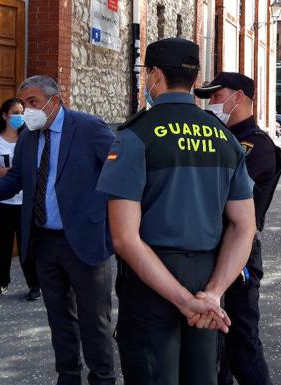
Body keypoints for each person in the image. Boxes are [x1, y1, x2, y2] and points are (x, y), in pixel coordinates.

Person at [96, 38, 257, 385]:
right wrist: (212, 293)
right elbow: (245, 226)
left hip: (151, 277)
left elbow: (124, 238)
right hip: (208, 275)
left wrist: (185, 301)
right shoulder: (224, 138)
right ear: (196, 78)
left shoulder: (135, 136)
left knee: (153, 373)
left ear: (154, 74)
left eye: (147, 74)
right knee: (201, 376)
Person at [0, 75, 117, 385]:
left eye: (32, 103)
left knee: (94, 320)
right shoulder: (28, 137)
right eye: (24, 104)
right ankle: (68, 376)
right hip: (45, 242)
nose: (26, 110)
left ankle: (103, 378)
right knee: (59, 318)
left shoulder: (88, 128)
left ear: (54, 101)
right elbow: (17, 178)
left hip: (85, 242)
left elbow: (120, 170)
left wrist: (108, 215)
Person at [195, 72, 281, 385]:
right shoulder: (223, 139)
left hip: (239, 253)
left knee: (241, 343)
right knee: (215, 346)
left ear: (239, 98)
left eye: (218, 97)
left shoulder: (255, 145)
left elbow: (224, 195)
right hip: (212, 248)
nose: (212, 104)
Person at [0, 97, 40, 300]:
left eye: (22, 112)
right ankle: (1, 283)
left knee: (29, 248)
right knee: (1, 247)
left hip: (25, 203)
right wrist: (14, 173)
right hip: (0, 203)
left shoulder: (31, 138)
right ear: (5, 116)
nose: (19, 116)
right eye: (15, 112)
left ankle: (34, 285)